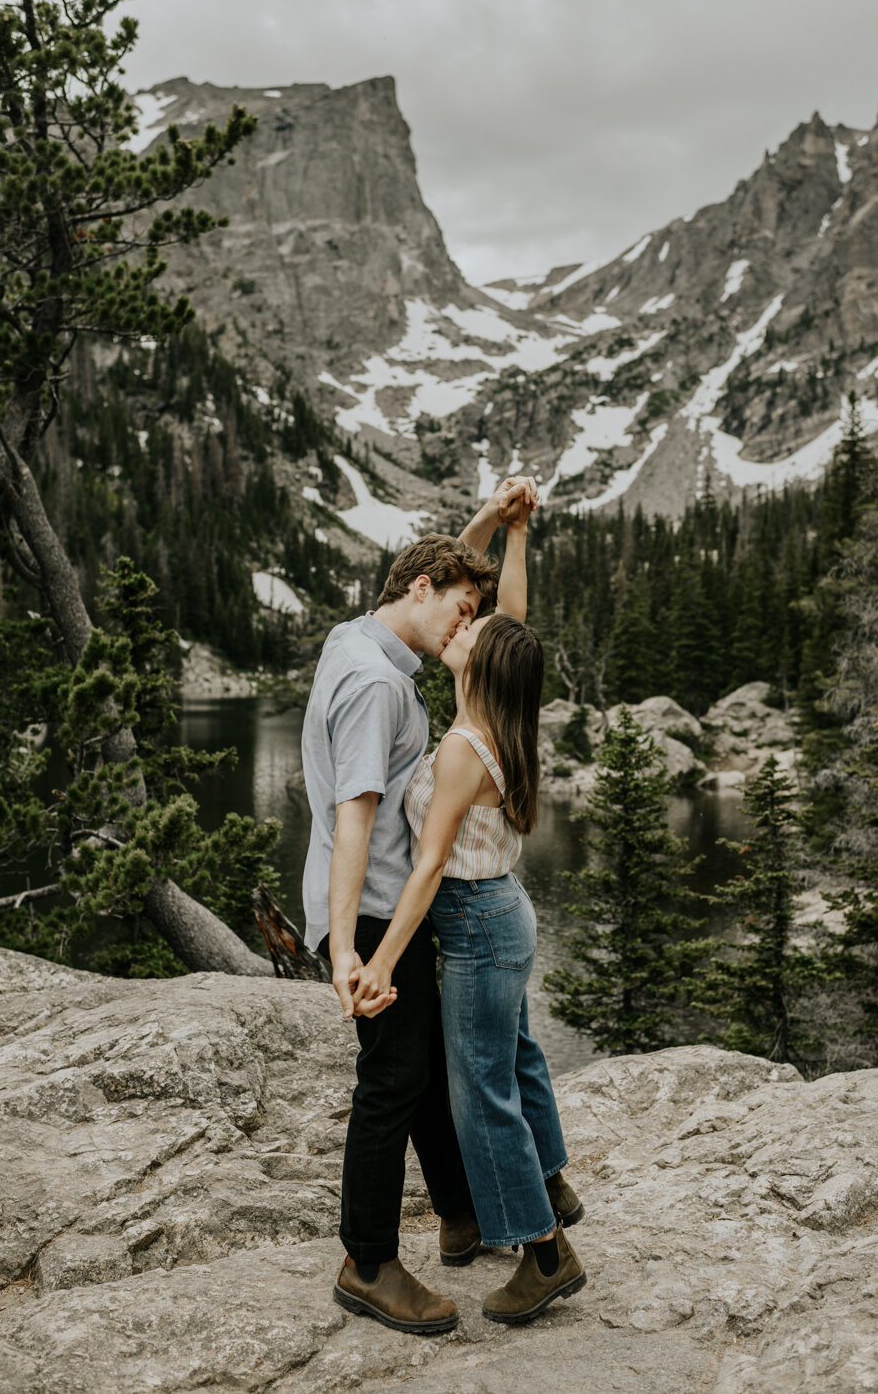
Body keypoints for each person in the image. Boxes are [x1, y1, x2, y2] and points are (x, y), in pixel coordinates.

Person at [302, 476, 538, 1336]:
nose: (467, 625)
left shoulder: (356, 640)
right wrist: (346, 951)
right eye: (460, 606)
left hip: (375, 906)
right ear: (418, 591)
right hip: (368, 910)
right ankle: (366, 1260)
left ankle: (460, 1211)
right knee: (394, 1076)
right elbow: (353, 817)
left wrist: (492, 527)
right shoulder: (380, 689)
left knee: (429, 1060)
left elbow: (445, 580)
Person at [351, 491, 586, 1326]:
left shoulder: (459, 748)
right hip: (506, 915)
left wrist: (377, 960)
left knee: (478, 1088)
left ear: (481, 664)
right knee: (518, 1056)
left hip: (477, 925)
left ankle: (542, 1250)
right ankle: (549, 1178)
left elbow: (422, 877)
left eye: (470, 632)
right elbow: (511, 622)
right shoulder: (503, 714)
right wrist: (512, 534)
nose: (462, 626)